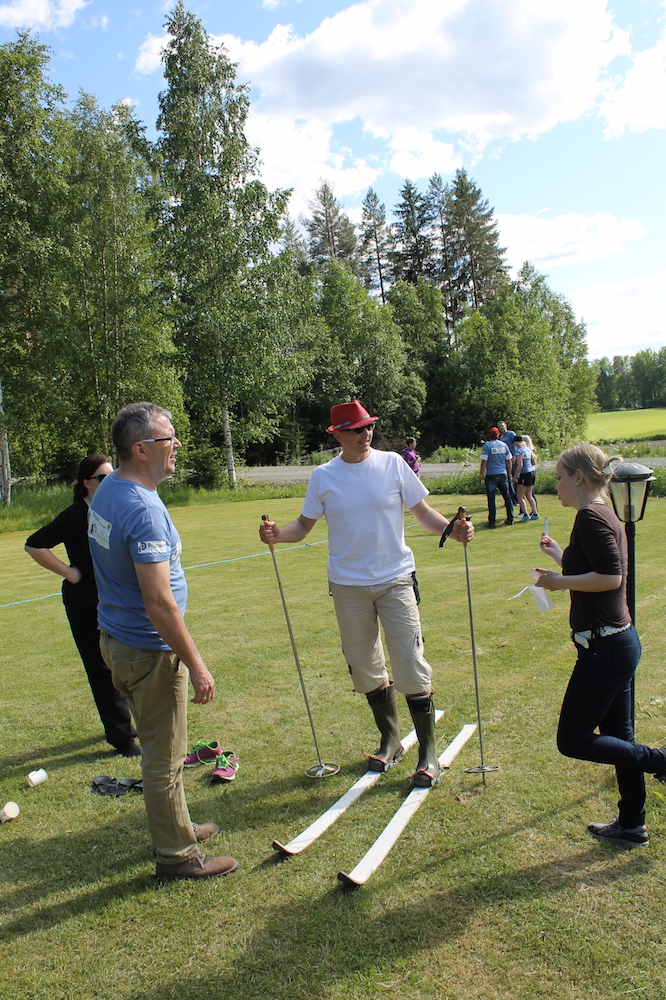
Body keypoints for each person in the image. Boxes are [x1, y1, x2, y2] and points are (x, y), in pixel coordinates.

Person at [259, 400, 474, 787]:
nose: (365, 433)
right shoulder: (323, 476)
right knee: (364, 666)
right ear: (337, 434)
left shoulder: (393, 463)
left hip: (395, 579)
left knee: (409, 661)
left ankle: (428, 753)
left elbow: (422, 512)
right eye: (356, 429)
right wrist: (277, 534)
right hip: (347, 585)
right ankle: (391, 740)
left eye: (368, 426)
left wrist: (451, 530)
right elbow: (303, 526)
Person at [88, 402, 238, 880]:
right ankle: (177, 857)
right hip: (150, 652)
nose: (176, 446)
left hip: (117, 640)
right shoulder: (141, 509)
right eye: (167, 439)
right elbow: (159, 603)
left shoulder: (109, 488)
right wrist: (195, 663)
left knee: (160, 749)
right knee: (165, 760)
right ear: (140, 448)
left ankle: (180, 826)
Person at [535, 444, 666, 848]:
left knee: (572, 740)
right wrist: (560, 557)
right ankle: (632, 824)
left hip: (605, 648)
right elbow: (595, 568)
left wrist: (560, 582)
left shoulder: (591, 517)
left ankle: (661, 761)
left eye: (559, 476)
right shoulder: (599, 513)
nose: (555, 484)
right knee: (619, 739)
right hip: (615, 644)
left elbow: (610, 578)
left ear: (577, 477)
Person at [25, 454, 140, 757]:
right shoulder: (74, 515)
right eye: (103, 477)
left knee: (125, 660)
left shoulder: (115, 509)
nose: (109, 481)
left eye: (112, 474)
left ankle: (130, 724)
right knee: (101, 668)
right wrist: (70, 573)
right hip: (85, 602)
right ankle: (123, 738)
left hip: (116, 598)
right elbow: (34, 544)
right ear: (87, 483)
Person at [478, 427, 513, 527]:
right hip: (502, 474)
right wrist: (509, 474)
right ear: (498, 435)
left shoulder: (487, 446)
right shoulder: (504, 445)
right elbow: (509, 461)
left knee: (491, 499)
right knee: (507, 497)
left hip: (491, 475)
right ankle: (510, 518)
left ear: (490, 435)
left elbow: (484, 461)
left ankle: (492, 521)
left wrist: (481, 475)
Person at [512, 435, 539, 522]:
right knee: (529, 495)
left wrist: (515, 475)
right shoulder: (528, 449)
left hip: (525, 473)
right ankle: (535, 513)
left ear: (516, 443)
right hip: (532, 472)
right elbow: (534, 461)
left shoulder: (518, 451)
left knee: (520, 496)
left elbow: (520, 465)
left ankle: (525, 514)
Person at [498, 419, 518, 507]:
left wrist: (515, 456)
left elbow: (517, 445)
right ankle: (511, 499)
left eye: (502, 426)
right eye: (499, 427)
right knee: (508, 480)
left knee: (515, 479)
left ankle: (518, 498)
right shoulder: (501, 438)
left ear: (506, 426)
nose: (501, 428)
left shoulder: (511, 434)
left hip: (514, 460)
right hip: (506, 461)